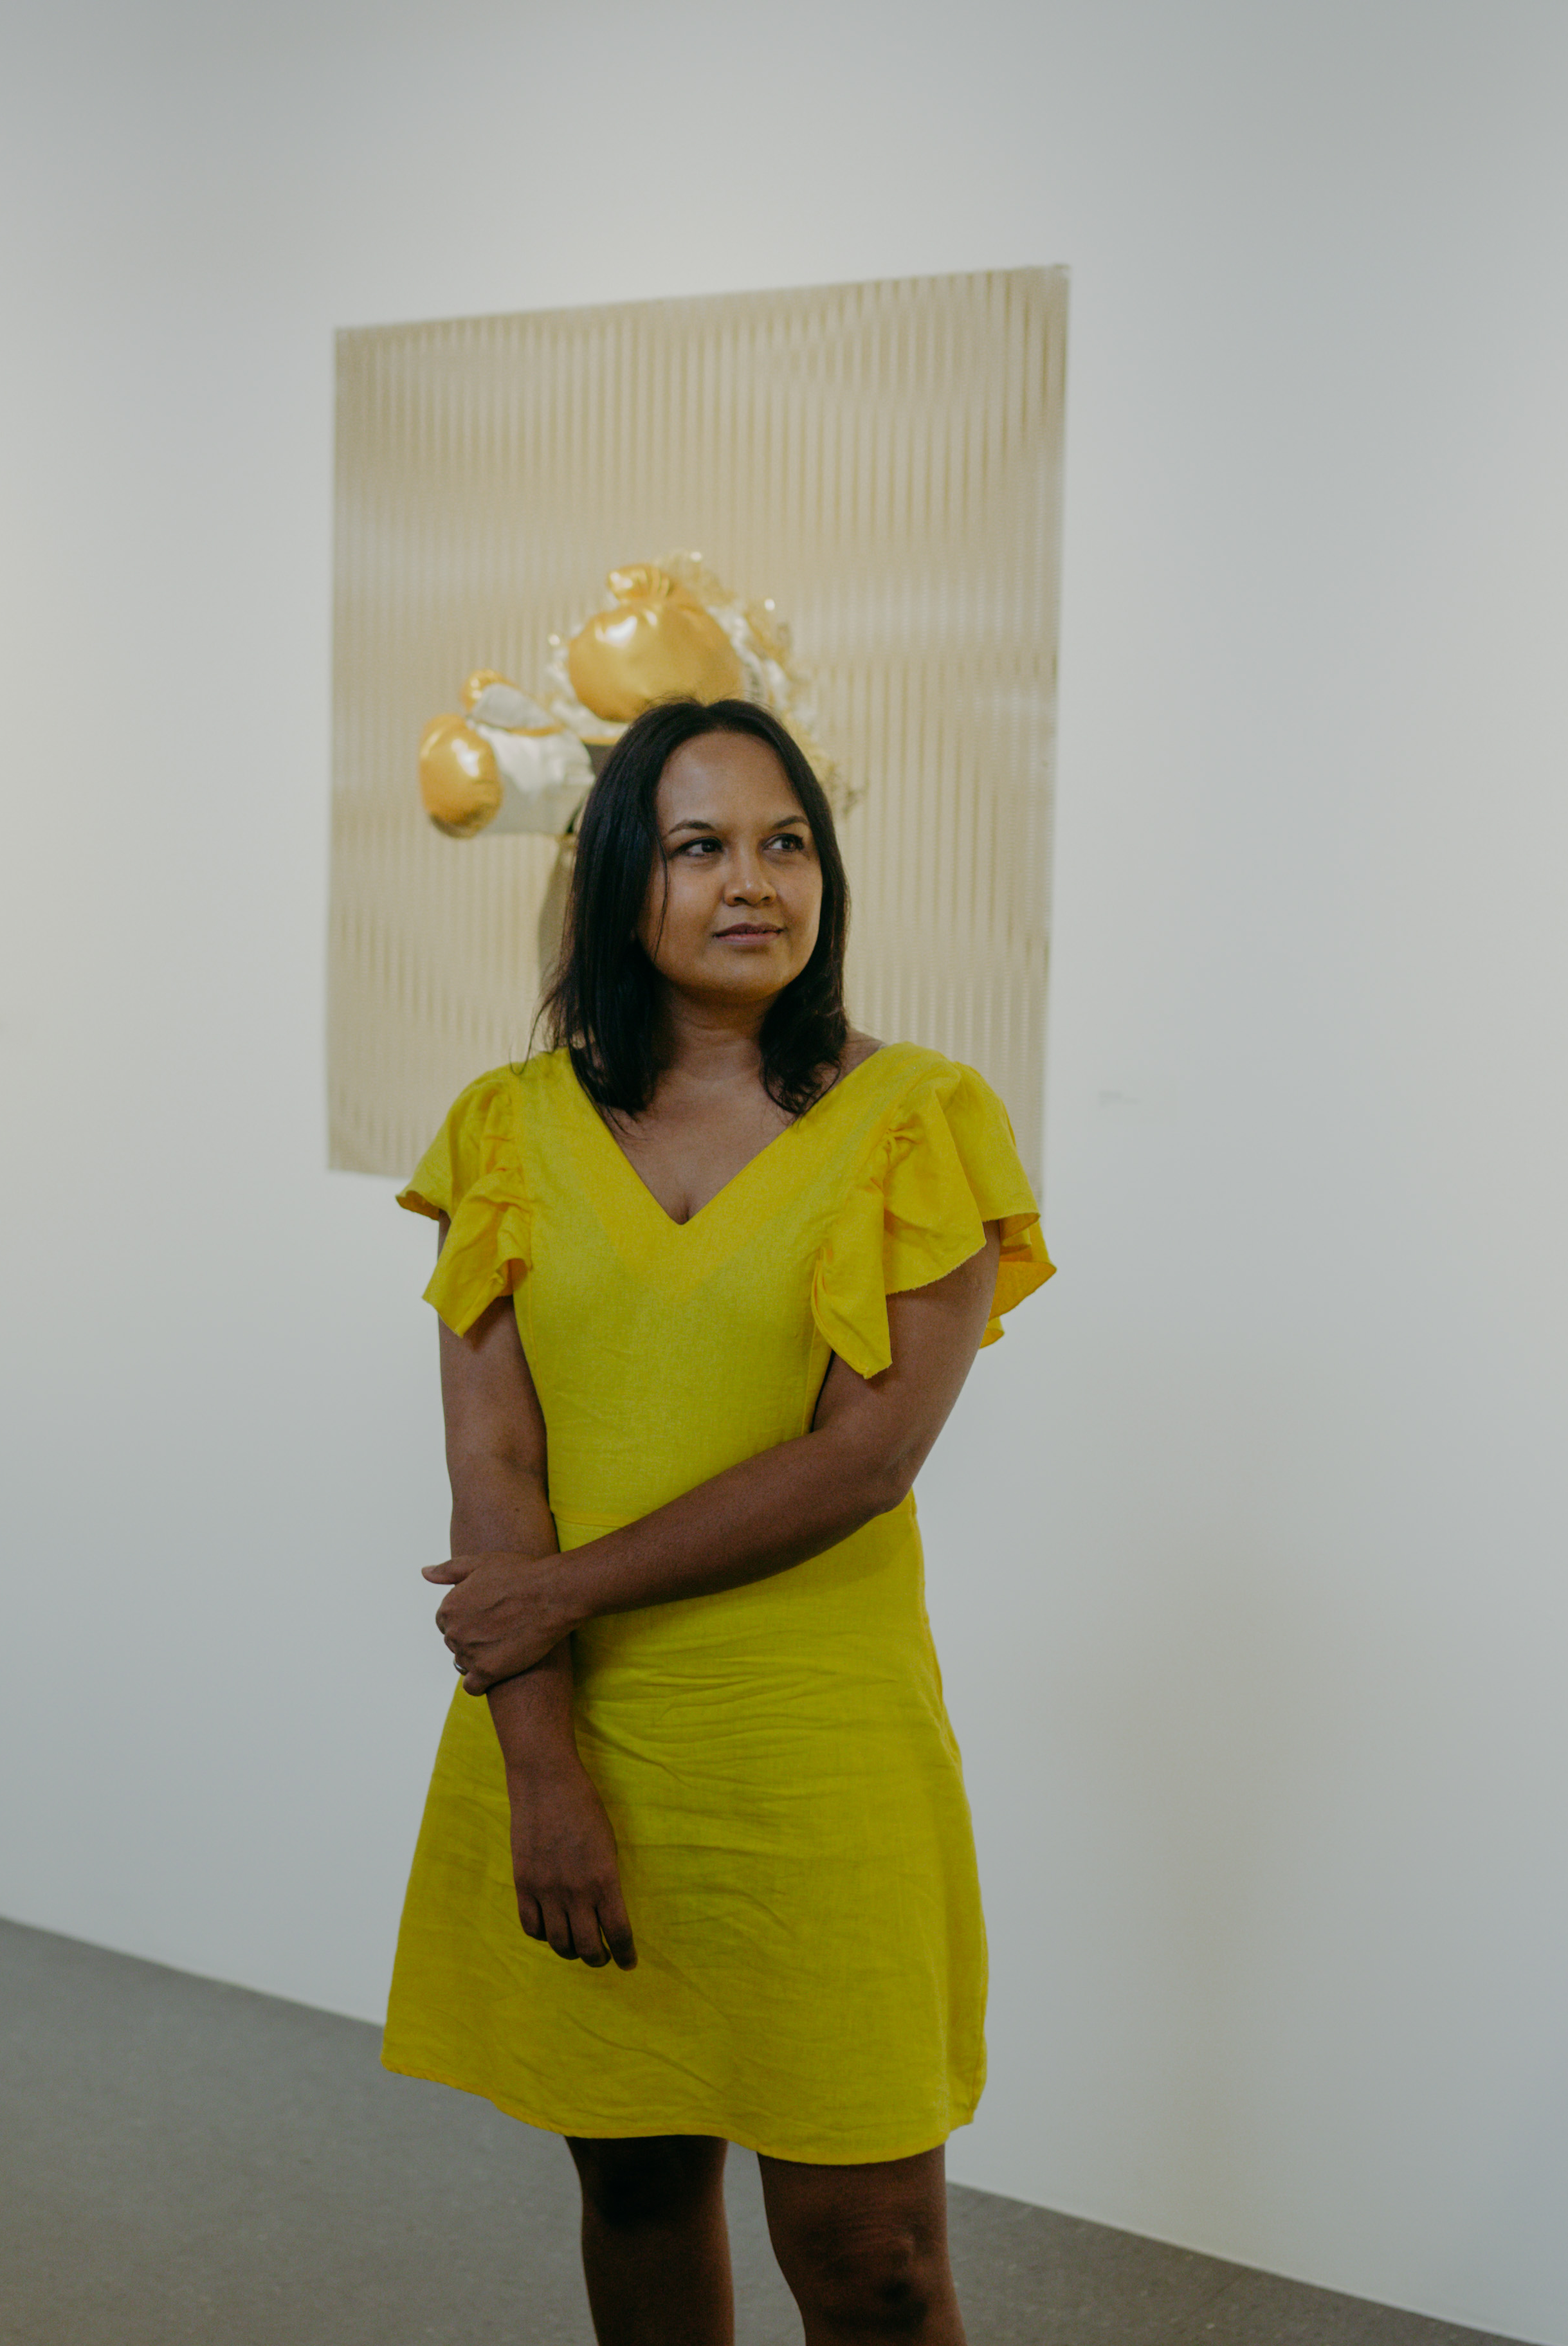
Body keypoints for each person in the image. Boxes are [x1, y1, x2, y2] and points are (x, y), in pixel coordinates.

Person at [383, 696, 1052, 2345]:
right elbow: (496, 1476)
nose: (755, 882)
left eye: (787, 843)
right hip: (581, 1745)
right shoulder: (506, 1129)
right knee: (633, 2189)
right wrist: (540, 1763)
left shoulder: (919, 1124)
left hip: (820, 1760)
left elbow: (862, 1461)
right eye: (700, 847)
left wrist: (551, 1598)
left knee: (876, 2258)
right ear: (623, 883)